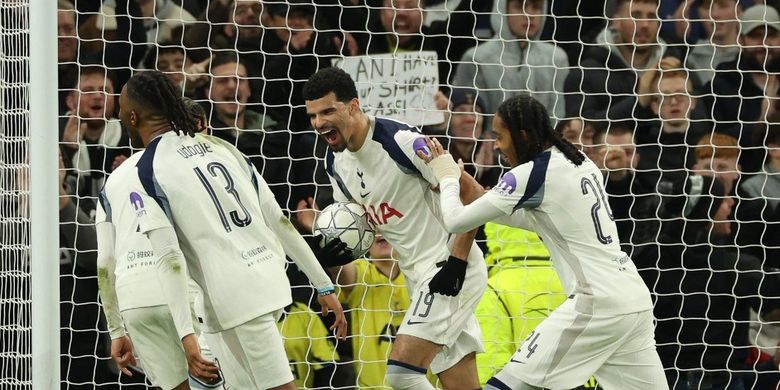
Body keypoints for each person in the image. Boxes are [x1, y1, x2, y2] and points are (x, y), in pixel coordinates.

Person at [117, 70, 347, 389]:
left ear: (132, 115)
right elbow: (278, 220)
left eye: (120, 110)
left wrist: (186, 337)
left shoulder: (147, 170)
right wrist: (322, 285)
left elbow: (169, 259)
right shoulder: (222, 147)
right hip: (255, 283)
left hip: (236, 295)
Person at [419, 95, 667, 390]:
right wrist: (466, 187)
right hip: (632, 298)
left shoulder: (529, 174)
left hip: (596, 303)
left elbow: (456, 221)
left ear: (522, 136)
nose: (496, 145)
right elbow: (531, 219)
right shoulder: (577, 158)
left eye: (499, 136)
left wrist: (447, 177)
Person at [303, 66, 487, 390]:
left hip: (450, 264)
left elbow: (472, 194)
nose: (319, 123)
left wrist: (456, 262)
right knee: (459, 382)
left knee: (401, 373)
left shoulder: (400, 141)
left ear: (353, 106)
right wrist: (328, 244)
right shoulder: (336, 165)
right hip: (416, 276)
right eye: (313, 116)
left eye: (328, 111)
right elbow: (360, 228)